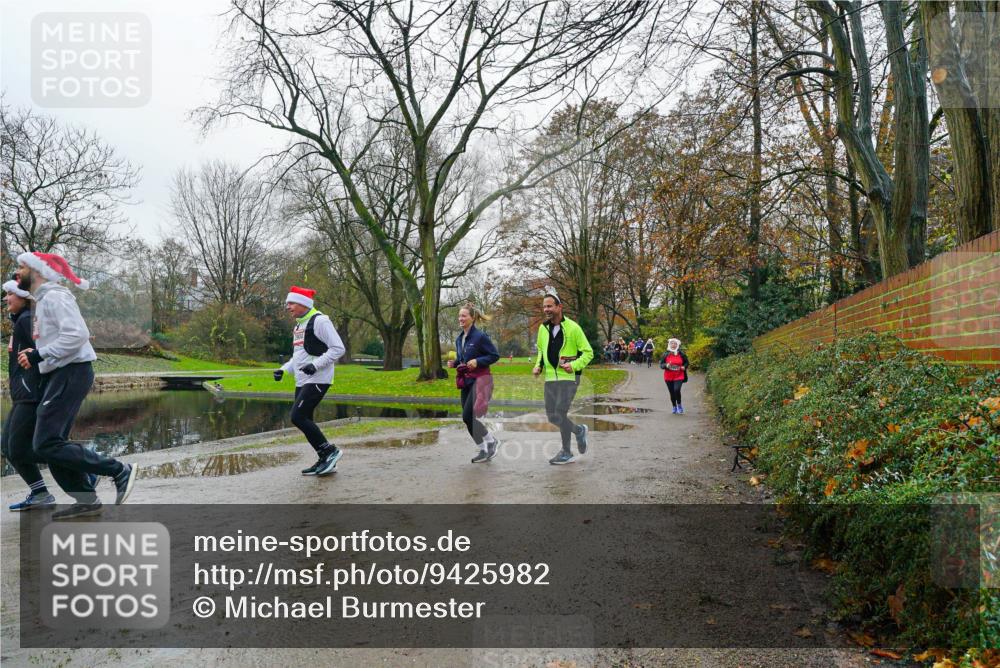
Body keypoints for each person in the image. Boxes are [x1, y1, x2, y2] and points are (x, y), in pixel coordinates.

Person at [15, 252, 138, 519]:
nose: (18, 272)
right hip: (59, 374)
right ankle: (86, 499)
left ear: (37, 271)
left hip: (72, 372)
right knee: (48, 443)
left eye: (22, 266)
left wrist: (39, 354)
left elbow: (77, 334)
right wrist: (37, 357)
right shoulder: (43, 300)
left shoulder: (56, 297)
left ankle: (118, 469)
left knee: (46, 442)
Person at [274, 286, 347, 476]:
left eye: (291, 303)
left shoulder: (320, 321)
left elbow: (338, 348)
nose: (288, 307)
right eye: (287, 303)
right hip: (302, 380)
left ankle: (330, 452)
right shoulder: (299, 325)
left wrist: (315, 365)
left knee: (297, 417)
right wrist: (283, 369)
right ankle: (325, 459)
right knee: (305, 420)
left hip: (318, 378)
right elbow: (298, 356)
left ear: (304, 303)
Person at [2, 279, 52, 511]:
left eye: (9, 294)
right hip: (22, 393)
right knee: (7, 446)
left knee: (18, 447)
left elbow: (45, 349)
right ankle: (40, 491)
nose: (5, 299)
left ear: (22, 295)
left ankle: (79, 470)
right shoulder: (20, 320)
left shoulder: (27, 320)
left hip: (31, 393)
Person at [533, 287, 594, 465]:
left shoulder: (574, 328)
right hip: (550, 378)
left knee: (560, 412)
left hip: (569, 378)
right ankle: (579, 431)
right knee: (552, 416)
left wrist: (574, 366)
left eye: (550, 306)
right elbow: (540, 350)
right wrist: (538, 366)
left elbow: (588, 352)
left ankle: (566, 451)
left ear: (560, 307)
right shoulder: (543, 329)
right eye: (544, 307)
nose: (546, 310)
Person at [447, 303, 501, 463]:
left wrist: (478, 361)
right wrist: (455, 363)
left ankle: (492, 441)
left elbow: (494, 355)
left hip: (480, 380)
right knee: (467, 418)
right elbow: (464, 359)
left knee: (467, 414)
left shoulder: (480, 337)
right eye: (459, 316)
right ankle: (484, 450)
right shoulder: (459, 339)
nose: (460, 318)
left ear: (472, 318)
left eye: (464, 316)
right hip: (466, 381)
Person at [660, 338, 689, 414]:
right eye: (672, 343)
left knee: (677, 390)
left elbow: (687, 362)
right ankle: (674, 406)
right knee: (672, 392)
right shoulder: (666, 354)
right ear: (669, 345)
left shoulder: (681, 354)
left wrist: (684, 367)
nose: (673, 345)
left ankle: (679, 405)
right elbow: (661, 365)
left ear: (677, 345)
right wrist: (666, 365)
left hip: (679, 375)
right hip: (668, 376)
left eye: (675, 343)